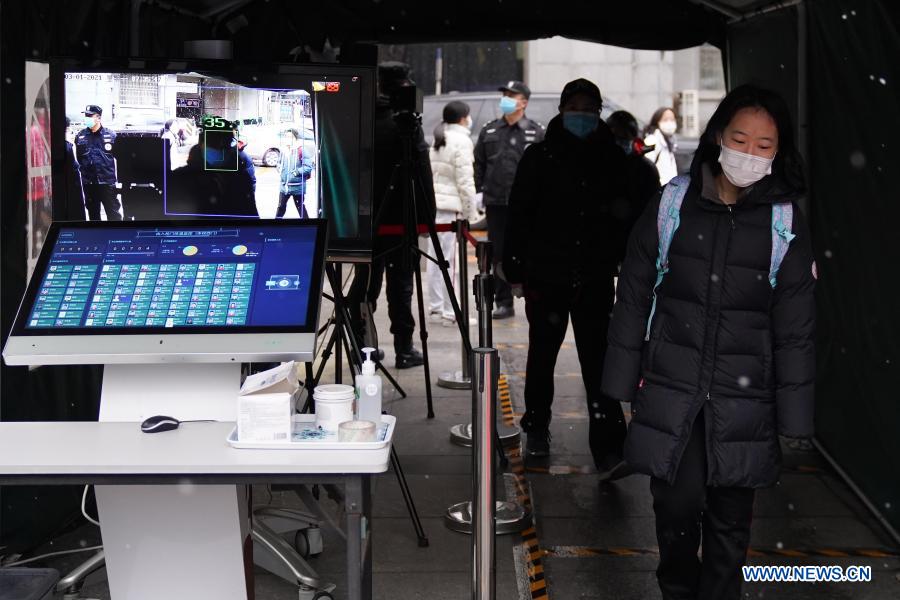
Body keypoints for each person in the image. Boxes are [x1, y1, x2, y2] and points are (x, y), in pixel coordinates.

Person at [601, 84, 815, 600]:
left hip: (745, 396)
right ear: (719, 136)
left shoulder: (784, 222)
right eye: (739, 138)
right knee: (674, 507)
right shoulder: (673, 203)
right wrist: (620, 382)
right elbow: (633, 292)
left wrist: (795, 417)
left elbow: (795, 327)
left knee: (729, 523)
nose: (748, 153)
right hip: (674, 383)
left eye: (764, 145)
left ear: (778, 152)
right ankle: (677, 587)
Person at [502, 78, 635, 478]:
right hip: (547, 274)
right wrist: (515, 269)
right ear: (561, 110)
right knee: (542, 357)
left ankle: (610, 445)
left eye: (589, 108)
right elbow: (519, 213)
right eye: (574, 107)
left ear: (599, 113)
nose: (582, 115)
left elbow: (624, 215)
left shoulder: (611, 158)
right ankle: (537, 426)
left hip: (594, 276)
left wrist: (622, 260)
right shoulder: (539, 156)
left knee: (599, 362)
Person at [346, 61, 436, 369]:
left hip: (367, 217)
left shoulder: (359, 116)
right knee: (402, 286)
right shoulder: (404, 123)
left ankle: (361, 346)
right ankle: (404, 348)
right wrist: (427, 217)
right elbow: (421, 169)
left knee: (366, 284)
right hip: (401, 216)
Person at [475, 80, 545, 320]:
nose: (505, 99)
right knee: (499, 254)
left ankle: (533, 296)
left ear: (523, 102)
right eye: (504, 94)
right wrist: (478, 191)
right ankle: (503, 301)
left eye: (511, 95)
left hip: (527, 205)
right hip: (496, 204)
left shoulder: (536, 132)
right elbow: (480, 163)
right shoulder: (490, 130)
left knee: (529, 251)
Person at [427, 100, 478, 326]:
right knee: (450, 262)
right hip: (450, 209)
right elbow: (465, 180)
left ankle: (437, 307)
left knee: (435, 258)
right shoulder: (462, 141)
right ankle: (451, 310)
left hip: (436, 206)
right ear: (462, 118)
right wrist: (471, 212)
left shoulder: (440, 137)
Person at [606, 110, 661, 215]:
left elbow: (653, 204)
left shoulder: (646, 168)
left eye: (623, 137)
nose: (619, 142)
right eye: (615, 137)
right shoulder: (600, 164)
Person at [75, 104, 121, 220]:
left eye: (90, 116)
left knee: (114, 216)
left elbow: (119, 159)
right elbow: (80, 159)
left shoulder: (111, 135)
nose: (87, 118)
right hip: (90, 185)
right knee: (93, 217)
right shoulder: (80, 137)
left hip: (107, 184)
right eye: (86, 115)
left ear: (99, 118)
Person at [276, 129, 315, 219]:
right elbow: (279, 163)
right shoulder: (283, 150)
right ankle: (274, 227)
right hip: (284, 186)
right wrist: (279, 168)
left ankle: (307, 227)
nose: (288, 139)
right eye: (286, 137)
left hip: (297, 187)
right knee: (280, 208)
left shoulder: (301, 150)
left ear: (295, 138)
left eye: (290, 137)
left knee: (300, 208)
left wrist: (296, 172)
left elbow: (308, 167)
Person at [643, 107, 679, 186]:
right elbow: (645, 168)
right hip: (657, 190)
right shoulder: (652, 141)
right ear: (657, 122)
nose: (669, 123)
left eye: (672, 119)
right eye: (665, 120)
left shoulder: (670, 141)